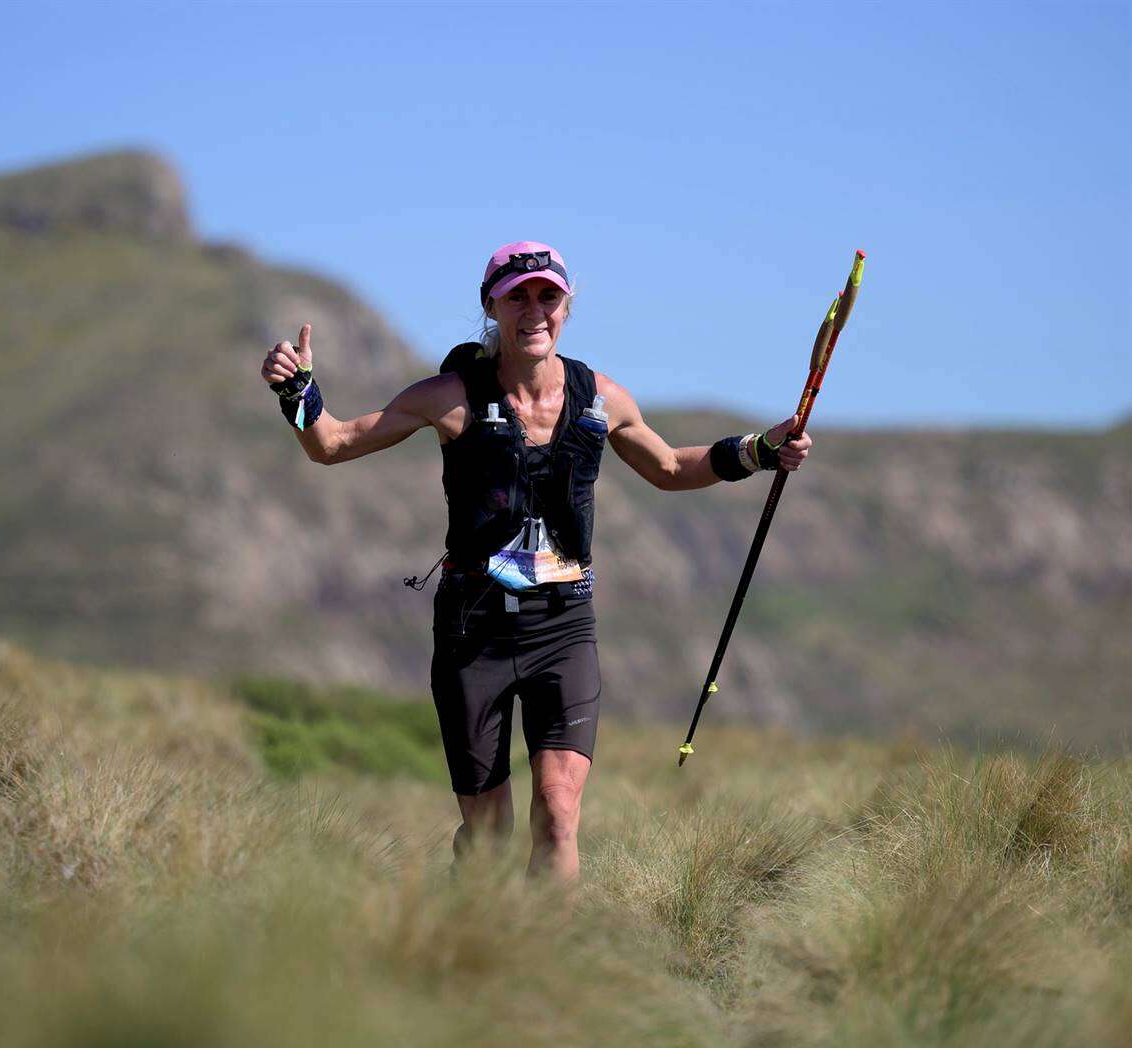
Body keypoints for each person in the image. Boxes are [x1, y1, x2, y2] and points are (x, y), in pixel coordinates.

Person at [258, 241, 812, 884]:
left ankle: (553, 968)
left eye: (548, 295)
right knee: (489, 835)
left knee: (557, 807)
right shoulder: (448, 396)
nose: (534, 310)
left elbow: (669, 467)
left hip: (562, 628)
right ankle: (476, 946)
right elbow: (333, 443)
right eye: (517, 296)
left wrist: (760, 450)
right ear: (491, 306)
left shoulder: (600, 397)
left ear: (567, 307)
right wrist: (297, 389)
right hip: (474, 631)